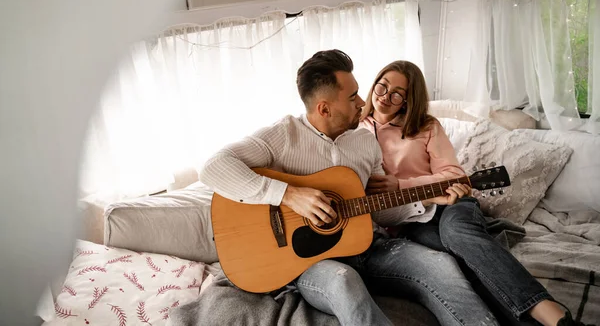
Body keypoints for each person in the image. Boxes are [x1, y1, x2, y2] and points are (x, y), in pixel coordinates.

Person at [200, 49, 501, 326]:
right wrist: (290, 195)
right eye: (353, 96)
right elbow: (213, 167)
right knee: (344, 280)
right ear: (325, 108)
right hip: (313, 263)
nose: (362, 103)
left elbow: (379, 210)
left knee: (442, 266)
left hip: (370, 248)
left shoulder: (364, 141)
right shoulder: (283, 136)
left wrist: (427, 196)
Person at [360, 60, 590, 326]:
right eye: (382, 86)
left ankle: (557, 317)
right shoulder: (355, 130)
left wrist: (401, 185)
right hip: (411, 220)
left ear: (408, 100)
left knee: (458, 235)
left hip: (451, 203)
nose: (386, 97)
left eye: (397, 93)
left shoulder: (426, 126)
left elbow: (454, 177)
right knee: (461, 263)